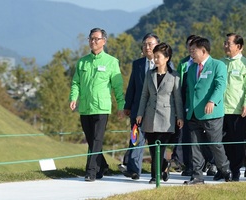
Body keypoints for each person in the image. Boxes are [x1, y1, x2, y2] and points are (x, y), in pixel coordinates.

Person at [69, 28, 125, 182]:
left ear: (104, 41)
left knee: (97, 139)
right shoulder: (82, 62)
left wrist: (121, 106)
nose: (93, 42)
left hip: (101, 107)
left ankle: (91, 171)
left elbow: (118, 87)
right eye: (91, 39)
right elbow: (76, 83)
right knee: (91, 140)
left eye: (96, 39)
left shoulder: (111, 62)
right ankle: (103, 165)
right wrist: (74, 97)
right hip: (85, 107)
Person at [183, 37, 231, 185]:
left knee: (215, 144)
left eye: (193, 51)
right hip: (193, 114)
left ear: (203, 51)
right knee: (195, 146)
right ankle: (197, 176)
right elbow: (189, 91)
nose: (191, 53)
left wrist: (212, 101)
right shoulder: (191, 68)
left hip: (211, 113)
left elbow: (220, 85)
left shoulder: (218, 65)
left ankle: (224, 169)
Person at [136, 42, 184, 184]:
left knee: (161, 148)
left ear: (167, 58)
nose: (155, 59)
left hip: (166, 117)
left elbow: (178, 99)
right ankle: (164, 165)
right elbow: (144, 95)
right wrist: (140, 113)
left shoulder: (174, 76)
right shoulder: (149, 74)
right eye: (155, 57)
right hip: (150, 116)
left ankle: (154, 176)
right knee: (152, 149)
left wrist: (180, 117)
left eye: (158, 57)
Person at [119, 33, 160, 180]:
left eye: (150, 44)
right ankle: (134, 170)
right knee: (136, 138)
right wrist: (127, 106)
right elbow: (132, 87)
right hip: (138, 110)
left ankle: (160, 169)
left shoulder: (164, 64)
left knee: (155, 142)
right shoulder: (138, 64)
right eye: (145, 44)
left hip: (157, 111)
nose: (147, 47)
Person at [176, 35, 217, 177]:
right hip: (189, 106)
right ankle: (193, 168)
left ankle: (214, 164)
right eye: (189, 47)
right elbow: (182, 87)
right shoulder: (185, 64)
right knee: (190, 139)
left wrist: (212, 101)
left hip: (206, 108)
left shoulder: (212, 64)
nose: (191, 50)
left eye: (194, 48)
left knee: (209, 139)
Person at [221, 33, 246, 181]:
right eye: (225, 42)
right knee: (222, 143)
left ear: (239, 47)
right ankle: (224, 169)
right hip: (221, 110)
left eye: (229, 43)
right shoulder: (220, 63)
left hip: (238, 111)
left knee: (237, 143)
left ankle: (235, 171)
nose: (226, 46)